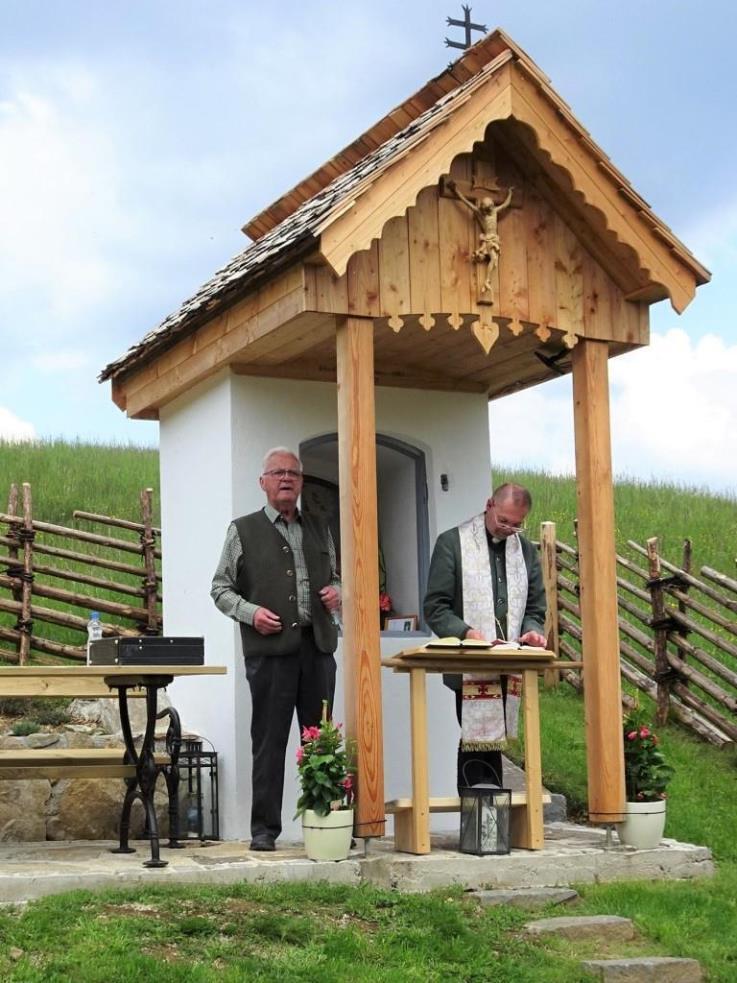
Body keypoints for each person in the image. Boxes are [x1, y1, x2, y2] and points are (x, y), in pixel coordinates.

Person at [210, 447, 341, 851]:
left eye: (293, 473)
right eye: (278, 473)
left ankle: (325, 824)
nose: (286, 479)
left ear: (301, 482)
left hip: (317, 648)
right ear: (263, 482)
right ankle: (264, 830)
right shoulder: (242, 530)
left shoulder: (319, 527)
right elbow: (220, 588)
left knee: (319, 741)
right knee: (269, 741)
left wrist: (338, 592)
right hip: (270, 654)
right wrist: (251, 614)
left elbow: (337, 577)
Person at [423, 483, 547, 793]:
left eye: (516, 524)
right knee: (478, 740)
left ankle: (487, 812)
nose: (508, 529)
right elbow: (436, 608)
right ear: (489, 504)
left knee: (492, 744)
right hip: (470, 662)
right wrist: (467, 633)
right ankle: (482, 810)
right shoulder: (453, 543)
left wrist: (533, 630)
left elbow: (535, 607)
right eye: (503, 520)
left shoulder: (525, 551)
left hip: (510, 661)